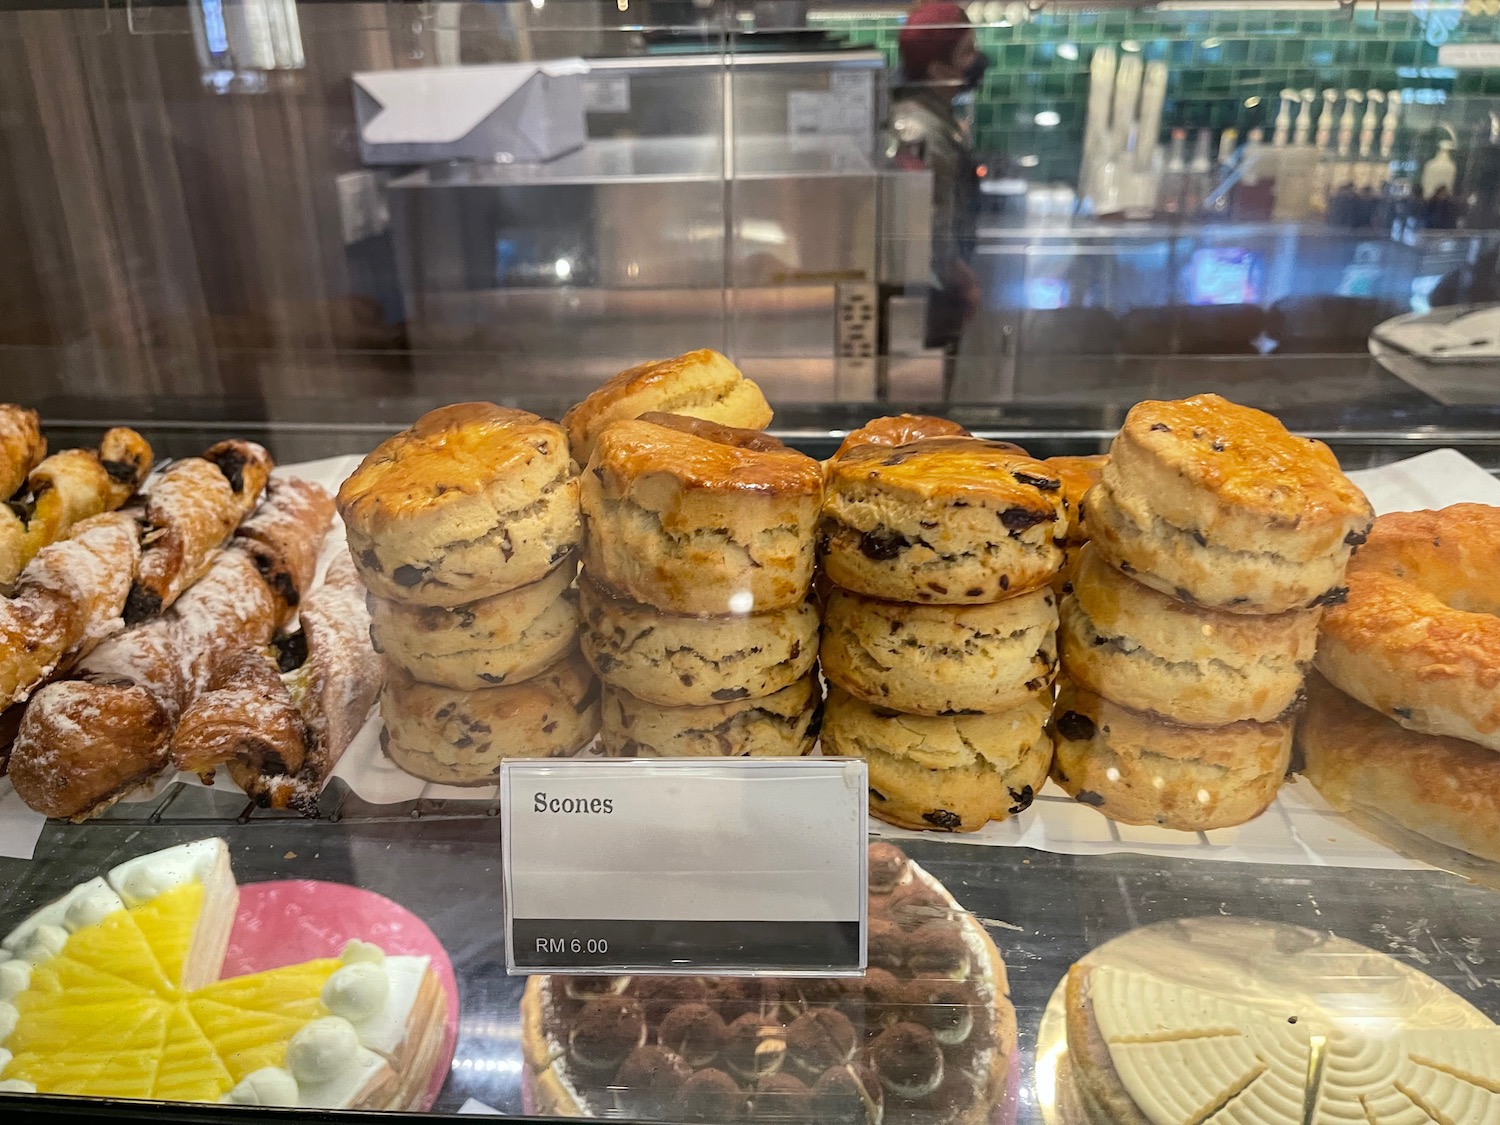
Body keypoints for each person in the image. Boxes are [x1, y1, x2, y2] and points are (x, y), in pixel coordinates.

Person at [889, 2, 990, 359]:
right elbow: (926, 218)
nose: (976, 59)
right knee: (922, 407)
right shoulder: (920, 129)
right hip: (927, 295)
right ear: (937, 68)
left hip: (931, 290)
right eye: (966, 51)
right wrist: (957, 276)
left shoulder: (932, 117)